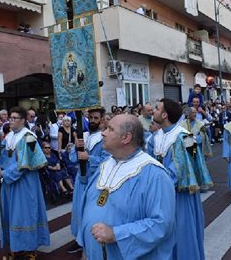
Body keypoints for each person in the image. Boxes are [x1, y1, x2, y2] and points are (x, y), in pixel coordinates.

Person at [77, 114, 176, 259]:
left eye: (110, 129)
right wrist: (86, 247)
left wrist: (116, 234)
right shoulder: (105, 165)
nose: (103, 132)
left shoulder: (155, 175)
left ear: (126, 138)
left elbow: (161, 224)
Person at [0, 106, 49, 259]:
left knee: (24, 215)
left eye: (14, 118)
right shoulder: (9, 137)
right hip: (9, 183)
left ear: (23, 120)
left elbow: (25, 164)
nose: (11, 120)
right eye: (10, 117)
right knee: (11, 215)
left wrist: (2, 173)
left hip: (25, 184)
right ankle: (16, 248)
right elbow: (3, 157)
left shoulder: (28, 137)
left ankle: (30, 249)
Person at [147, 98, 205, 260]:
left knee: (182, 233)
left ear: (165, 115)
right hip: (159, 195)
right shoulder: (153, 138)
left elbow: (193, 163)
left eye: (157, 108)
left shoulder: (187, 137)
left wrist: (163, 182)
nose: (153, 111)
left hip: (181, 196)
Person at [67, 107, 111, 254]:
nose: (92, 121)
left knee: (92, 211)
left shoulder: (105, 137)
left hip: (96, 181)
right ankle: (79, 239)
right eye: (90, 117)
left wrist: (89, 158)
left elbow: (107, 161)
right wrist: (76, 149)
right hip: (81, 180)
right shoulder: (82, 136)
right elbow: (73, 159)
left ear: (101, 120)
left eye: (96, 118)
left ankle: (92, 239)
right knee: (79, 209)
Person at [180, 107, 213, 191]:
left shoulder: (200, 124)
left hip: (196, 148)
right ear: (188, 114)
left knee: (197, 166)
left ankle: (200, 184)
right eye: (192, 113)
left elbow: (203, 136)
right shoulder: (182, 124)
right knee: (188, 166)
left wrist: (194, 138)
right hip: (186, 149)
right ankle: (190, 183)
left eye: (195, 113)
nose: (194, 114)